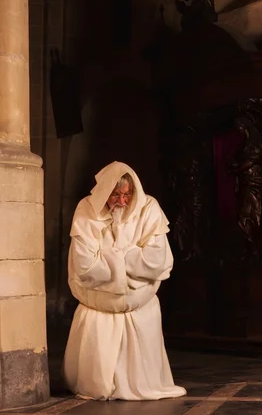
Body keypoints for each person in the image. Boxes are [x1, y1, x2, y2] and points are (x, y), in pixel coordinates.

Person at [63, 161, 186, 401]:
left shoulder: (149, 208)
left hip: (139, 306)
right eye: (115, 195)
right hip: (98, 308)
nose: (121, 201)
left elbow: (156, 260)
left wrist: (110, 256)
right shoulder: (86, 209)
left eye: (127, 195)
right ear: (104, 192)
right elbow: (85, 266)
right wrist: (131, 256)